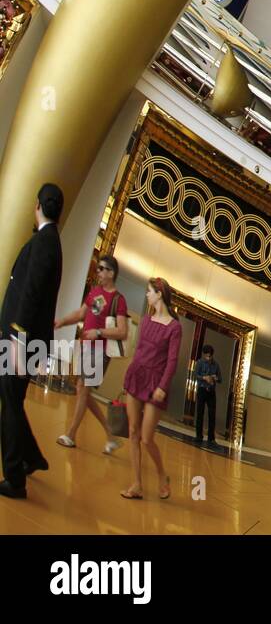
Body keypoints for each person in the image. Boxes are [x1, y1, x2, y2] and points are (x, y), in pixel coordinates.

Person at [0, 184, 63, 499]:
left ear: (37, 205)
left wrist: (15, 334)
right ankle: (32, 457)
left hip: (21, 338)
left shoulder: (45, 242)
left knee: (9, 403)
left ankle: (14, 478)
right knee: (11, 398)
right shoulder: (50, 241)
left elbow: (31, 293)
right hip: (25, 338)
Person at [53, 255, 129, 454]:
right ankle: (111, 436)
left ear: (111, 273)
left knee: (83, 390)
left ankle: (70, 434)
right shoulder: (95, 292)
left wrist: (99, 332)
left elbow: (122, 331)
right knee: (82, 391)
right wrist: (61, 321)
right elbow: (80, 314)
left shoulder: (119, 300)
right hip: (86, 347)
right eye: (98, 269)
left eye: (102, 269)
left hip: (100, 350)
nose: (98, 272)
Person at [120, 278, 182, 500]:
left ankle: (162, 474)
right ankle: (137, 484)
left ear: (159, 294)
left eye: (149, 291)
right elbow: (138, 350)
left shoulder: (174, 327)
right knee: (133, 432)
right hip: (137, 376)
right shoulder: (146, 320)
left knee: (147, 438)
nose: (146, 295)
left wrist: (163, 386)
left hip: (156, 383)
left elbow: (172, 361)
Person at [192, 343, 221, 444]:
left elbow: (220, 379)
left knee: (212, 415)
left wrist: (215, 378)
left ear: (212, 355)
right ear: (204, 354)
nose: (208, 358)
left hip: (211, 392)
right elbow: (195, 375)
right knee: (200, 413)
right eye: (206, 356)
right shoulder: (200, 362)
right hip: (202, 390)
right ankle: (199, 436)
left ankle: (211, 438)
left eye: (209, 356)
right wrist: (204, 377)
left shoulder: (216, 365)